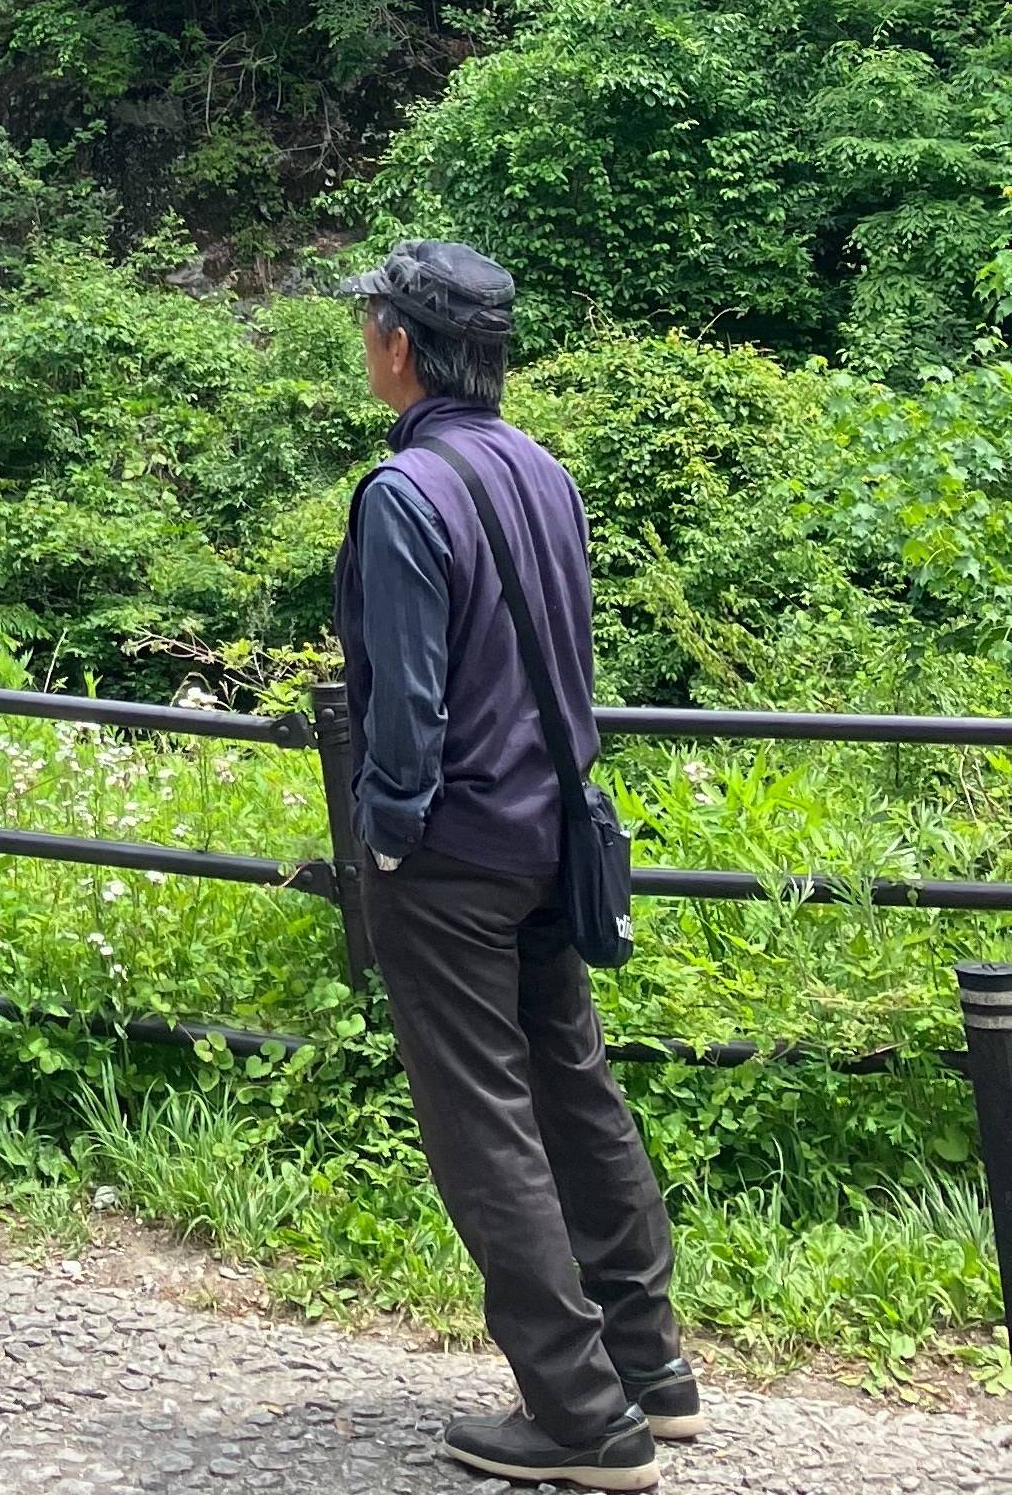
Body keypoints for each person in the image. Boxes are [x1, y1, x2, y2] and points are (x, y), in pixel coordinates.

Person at [336, 238, 696, 1492]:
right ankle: (650, 1364)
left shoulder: (406, 494)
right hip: (555, 833)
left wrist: (386, 830)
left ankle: (583, 1417)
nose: (365, 342)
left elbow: (408, 708)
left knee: (483, 1123)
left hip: (454, 857)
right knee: (573, 1087)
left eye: (371, 324)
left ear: (400, 348)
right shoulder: (543, 470)